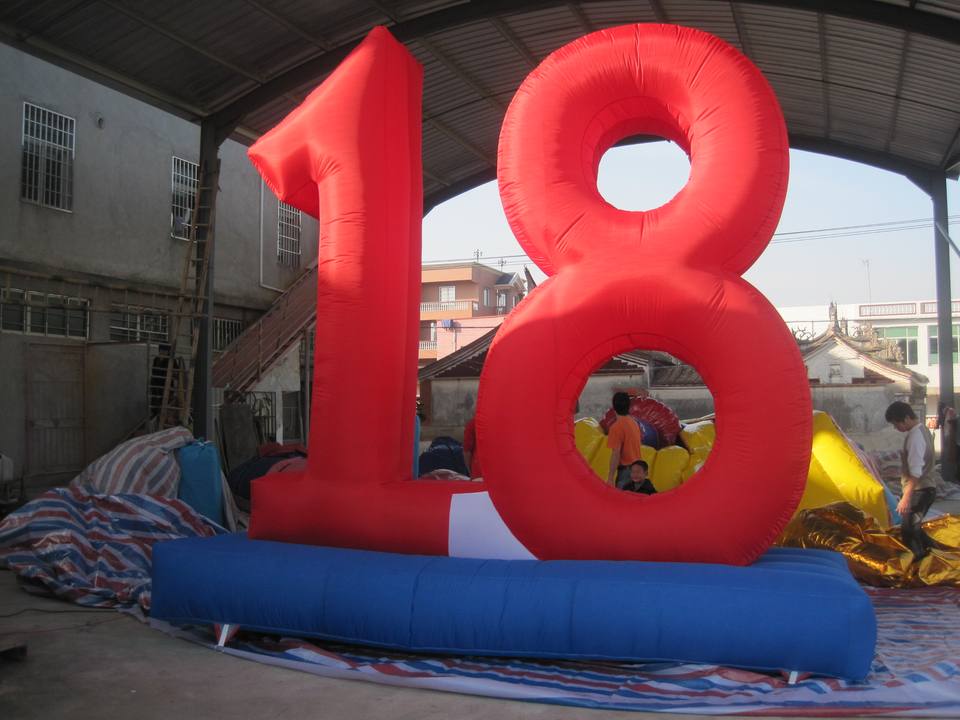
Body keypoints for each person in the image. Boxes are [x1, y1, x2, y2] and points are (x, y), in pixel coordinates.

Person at [885, 401, 937, 562]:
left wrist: (906, 498)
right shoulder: (922, 430)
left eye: (896, 424)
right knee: (914, 528)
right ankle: (934, 554)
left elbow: (915, 473)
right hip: (925, 488)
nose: (896, 428)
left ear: (906, 418)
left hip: (920, 490)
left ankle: (919, 564)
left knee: (908, 531)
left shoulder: (915, 437)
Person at [607, 392, 643, 489]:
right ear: (629, 406)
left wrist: (610, 477)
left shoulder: (616, 427)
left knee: (622, 497)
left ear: (613, 407)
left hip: (626, 471)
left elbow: (616, 454)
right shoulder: (634, 423)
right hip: (638, 468)